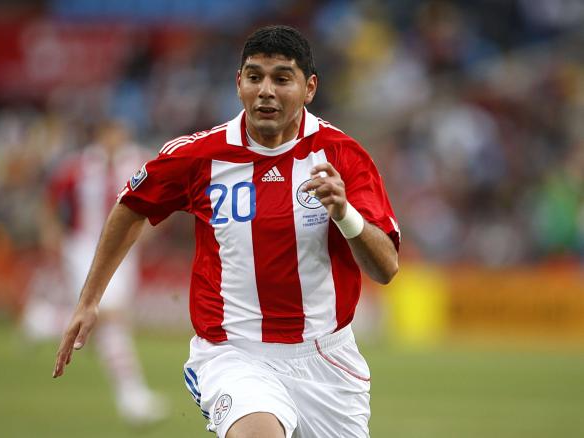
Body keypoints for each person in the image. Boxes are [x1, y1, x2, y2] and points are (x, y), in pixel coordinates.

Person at [53, 25, 400, 437]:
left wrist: (345, 214)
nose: (266, 90)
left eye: (281, 79)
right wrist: (89, 300)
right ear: (239, 84)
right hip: (234, 353)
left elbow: (386, 268)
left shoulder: (343, 155)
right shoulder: (198, 156)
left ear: (309, 88)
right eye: (255, 77)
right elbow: (131, 207)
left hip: (326, 360)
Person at [29, 120, 167, 424]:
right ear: (100, 135)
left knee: (108, 323)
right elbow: (50, 199)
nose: (116, 139)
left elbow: (165, 197)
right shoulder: (77, 167)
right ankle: (133, 397)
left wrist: (148, 234)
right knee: (111, 313)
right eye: (110, 133)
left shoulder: (137, 162)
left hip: (124, 251)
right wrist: (50, 231)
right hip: (83, 247)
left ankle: (46, 321)